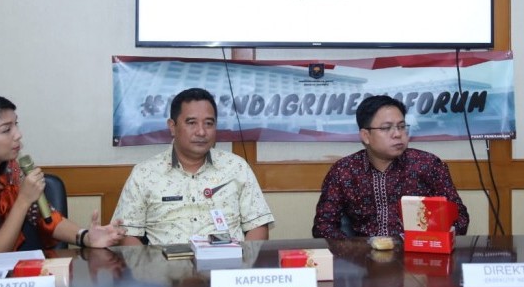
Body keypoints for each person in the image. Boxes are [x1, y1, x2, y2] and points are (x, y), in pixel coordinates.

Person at [0, 94, 126, 256]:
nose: (18, 134)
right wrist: (22, 200)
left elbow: (46, 217)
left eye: (16, 124)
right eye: (6, 130)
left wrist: (86, 237)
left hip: (14, 283)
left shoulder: (12, 170)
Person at [113, 87, 274, 245]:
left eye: (209, 123)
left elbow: (258, 225)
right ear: (172, 127)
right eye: (191, 123)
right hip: (166, 268)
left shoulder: (236, 167)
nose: (201, 132)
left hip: (226, 266)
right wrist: (149, 271)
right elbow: (128, 234)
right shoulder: (144, 174)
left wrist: (241, 267)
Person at [312, 94, 469, 239]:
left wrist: (430, 239)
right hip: (363, 261)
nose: (397, 134)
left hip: (420, 255)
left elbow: (460, 218)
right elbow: (323, 226)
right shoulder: (344, 171)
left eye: (401, 126)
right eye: (386, 128)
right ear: (366, 136)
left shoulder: (428, 165)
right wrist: (355, 252)